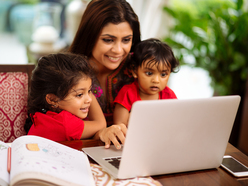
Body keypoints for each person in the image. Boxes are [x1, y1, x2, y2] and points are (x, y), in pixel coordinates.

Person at [68, 0, 141, 149]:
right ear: (90, 36)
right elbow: (64, 128)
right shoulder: (67, 74)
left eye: (126, 40)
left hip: (133, 149)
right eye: (108, 40)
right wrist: (100, 133)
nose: (118, 50)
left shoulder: (139, 68)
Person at [24, 53, 106, 142]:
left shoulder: (45, 116)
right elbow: (100, 124)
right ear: (52, 99)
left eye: (89, 91)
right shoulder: (64, 123)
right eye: (79, 95)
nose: (89, 99)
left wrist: (84, 90)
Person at [113, 38, 180, 126]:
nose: (156, 80)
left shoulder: (169, 95)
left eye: (163, 74)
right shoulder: (127, 93)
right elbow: (119, 125)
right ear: (134, 71)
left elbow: (176, 121)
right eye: (149, 73)